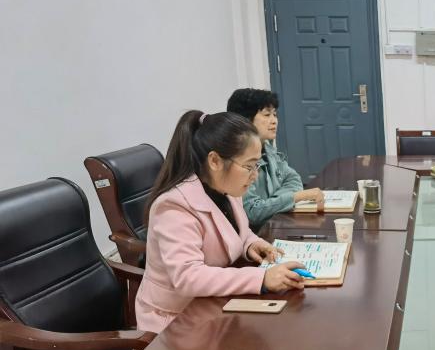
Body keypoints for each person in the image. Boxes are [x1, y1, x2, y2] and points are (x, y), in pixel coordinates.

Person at [136, 110, 306, 332]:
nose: (255, 175)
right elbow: (188, 277)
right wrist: (262, 278)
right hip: (175, 322)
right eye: (249, 166)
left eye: (257, 165)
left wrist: (251, 244)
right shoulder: (174, 206)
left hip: (214, 307)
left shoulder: (226, 189)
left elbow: (237, 231)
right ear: (215, 161)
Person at [226, 88, 325, 229]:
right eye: (267, 115)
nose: (274, 121)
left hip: (275, 224)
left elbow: (293, 179)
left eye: (275, 114)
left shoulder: (267, 148)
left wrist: (271, 204)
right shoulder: (237, 159)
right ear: (246, 119)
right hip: (256, 234)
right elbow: (253, 213)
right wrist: (295, 197)